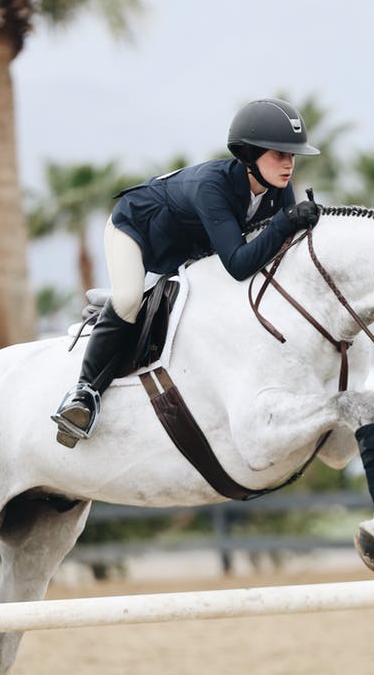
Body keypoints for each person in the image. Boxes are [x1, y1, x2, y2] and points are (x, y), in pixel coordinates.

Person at [52, 97, 321, 445]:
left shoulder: (277, 192)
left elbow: (273, 255)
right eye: (279, 155)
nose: (289, 165)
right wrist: (286, 223)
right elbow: (239, 265)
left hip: (186, 249)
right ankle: (84, 394)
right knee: (130, 299)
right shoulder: (214, 188)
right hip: (135, 231)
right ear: (248, 155)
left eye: (292, 156)